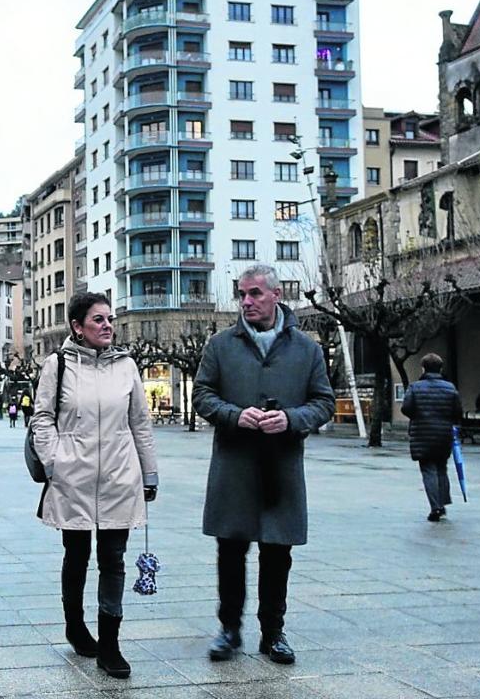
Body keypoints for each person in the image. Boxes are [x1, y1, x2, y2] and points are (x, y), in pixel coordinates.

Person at [192, 264, 334, 666]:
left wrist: (290, 419)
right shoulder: (221, 345)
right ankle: (229, 629)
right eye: (242, 294)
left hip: (281, 467)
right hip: (234, 466)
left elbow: (323, 402)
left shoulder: (306, 349)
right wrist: (236, 414)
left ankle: (273, 632)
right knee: (230, 550)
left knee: (277, 552)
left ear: (276, 295)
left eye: (255, 293)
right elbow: (202, 395)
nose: (247, 302)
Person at [29, 292, 157, 679]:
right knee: (78, 554)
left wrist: (149, 473)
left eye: (110, 319)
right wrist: (55, 462)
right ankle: (75, 624)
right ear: (77, 327)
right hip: (73, 476)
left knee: (113, 559)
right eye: (98, 320)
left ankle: (111, 643)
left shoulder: (127, 366)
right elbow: (42, 418)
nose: (107, 326)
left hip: (120, 475)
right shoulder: (59, 364)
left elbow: (140, 423)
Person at [402, 353, 463, 522]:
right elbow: (457, 411)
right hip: (444, 433)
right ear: (440, 368)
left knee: (428, 469)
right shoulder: (450, 388)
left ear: (423, 368)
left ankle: (435, 507)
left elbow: (406, 409)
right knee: (441, 468)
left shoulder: (415, 387)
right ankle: (443, 504)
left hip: (422, 433)